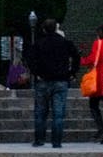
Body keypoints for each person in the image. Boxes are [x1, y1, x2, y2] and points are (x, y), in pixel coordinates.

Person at [25, 18, 80, 148]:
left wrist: (36, 73)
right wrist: (72, 72)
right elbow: (77, 56)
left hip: (43, 80)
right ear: (56, 28)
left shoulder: (38, 43)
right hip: (61, 80)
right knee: (58, 113)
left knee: (40, 113)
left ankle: (39, 140)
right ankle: (56, 141)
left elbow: (30, 59)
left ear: (44, 29)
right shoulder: (65, 42)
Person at [81, 23, 103, 144]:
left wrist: (82, 60)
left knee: (94, 105)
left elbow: (93, 59)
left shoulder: (98, 43)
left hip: (99, 78)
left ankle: (101, 128)